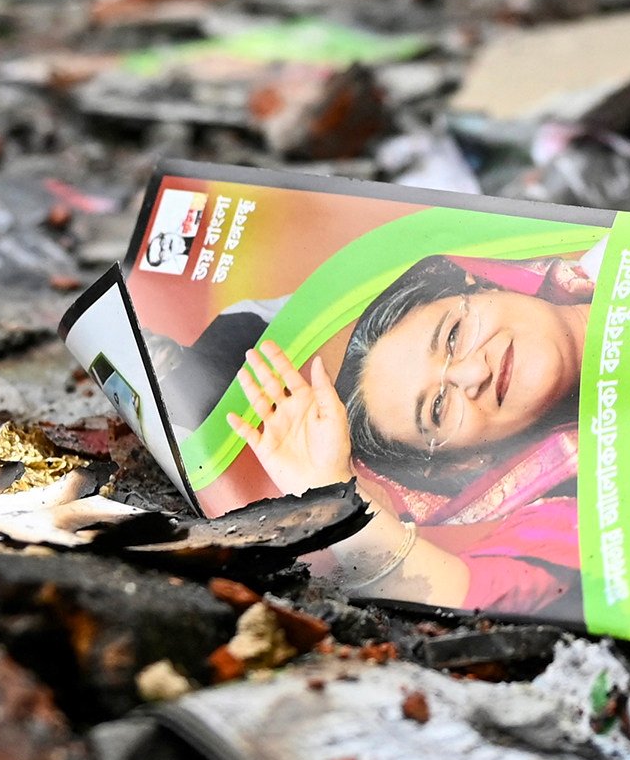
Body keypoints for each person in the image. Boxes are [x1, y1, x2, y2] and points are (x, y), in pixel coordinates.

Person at [230, 245, 603, 617]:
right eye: (438, 408)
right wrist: (332, 494)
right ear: (465, 461)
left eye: (453, 337)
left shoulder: (625, 248)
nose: (473, 374)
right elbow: (471, 599)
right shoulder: (601, 494)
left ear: (483, 286)